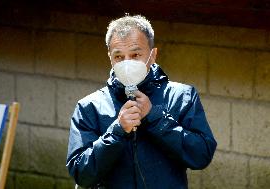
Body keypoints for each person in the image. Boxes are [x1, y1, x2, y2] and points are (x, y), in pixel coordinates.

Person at [66, 15, 217, 189]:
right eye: (119, 57)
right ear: (110, 58)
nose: (127, 63)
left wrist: (156, 118)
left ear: (152, 55)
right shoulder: (90, 107)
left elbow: (201, 155)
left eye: (136, 54)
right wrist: (117, 132)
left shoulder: (181, 97)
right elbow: (80, 173)